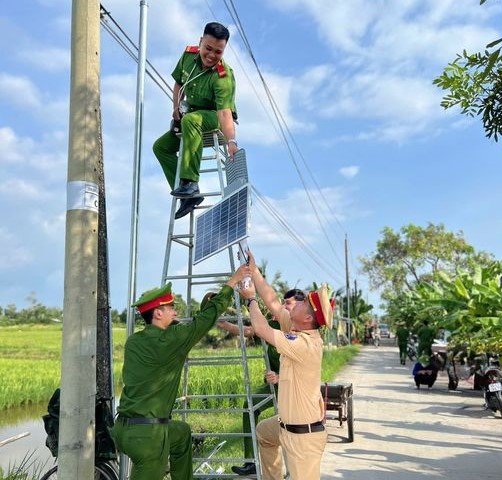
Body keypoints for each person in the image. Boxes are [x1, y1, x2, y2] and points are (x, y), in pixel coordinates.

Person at [110, 264, 249, 480]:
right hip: (148, 437)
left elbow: (186, 327)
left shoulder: (134, 341)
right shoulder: (171, 340)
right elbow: (201, 323)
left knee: (181, 433)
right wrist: (232, 282)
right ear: (157, 313)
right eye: (171, 308)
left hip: (123, 430)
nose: (176, 312)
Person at [239, 250, 332, 480]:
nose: (294, 304)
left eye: (302, 304)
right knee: (262, 433)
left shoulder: (304, 343)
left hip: (303, 438)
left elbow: (261, 329)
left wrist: (250, 299)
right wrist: (255, 272)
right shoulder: (295, 327)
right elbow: (272, 302)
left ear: (308, 318)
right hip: (285, 427)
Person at [152, 21, 239, 220]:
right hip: (190, 116)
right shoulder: (188, 56)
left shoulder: (223, 76)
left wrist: (231, 141)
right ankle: (189, 196)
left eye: (218, 52)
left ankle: (190, 182)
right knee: (161, 147)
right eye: (208, 48)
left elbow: (224, 113)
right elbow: (178, 83)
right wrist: (176, 108)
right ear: (200, 42)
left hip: (213, 117)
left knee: (191, 120)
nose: (211, 55)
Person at [217, 288, 307, 477]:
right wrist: (224, 324)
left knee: (291, 430)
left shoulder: (302, 332)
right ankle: (251, 461)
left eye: (288, 303)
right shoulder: (274, 324)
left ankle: (295, 471)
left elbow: (304, 369)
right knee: (249, 407)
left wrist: (281, 377)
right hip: (274, 384)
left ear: (301, 307)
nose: (282, 306)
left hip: (295, 389)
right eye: (283, 302)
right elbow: (250, 330)